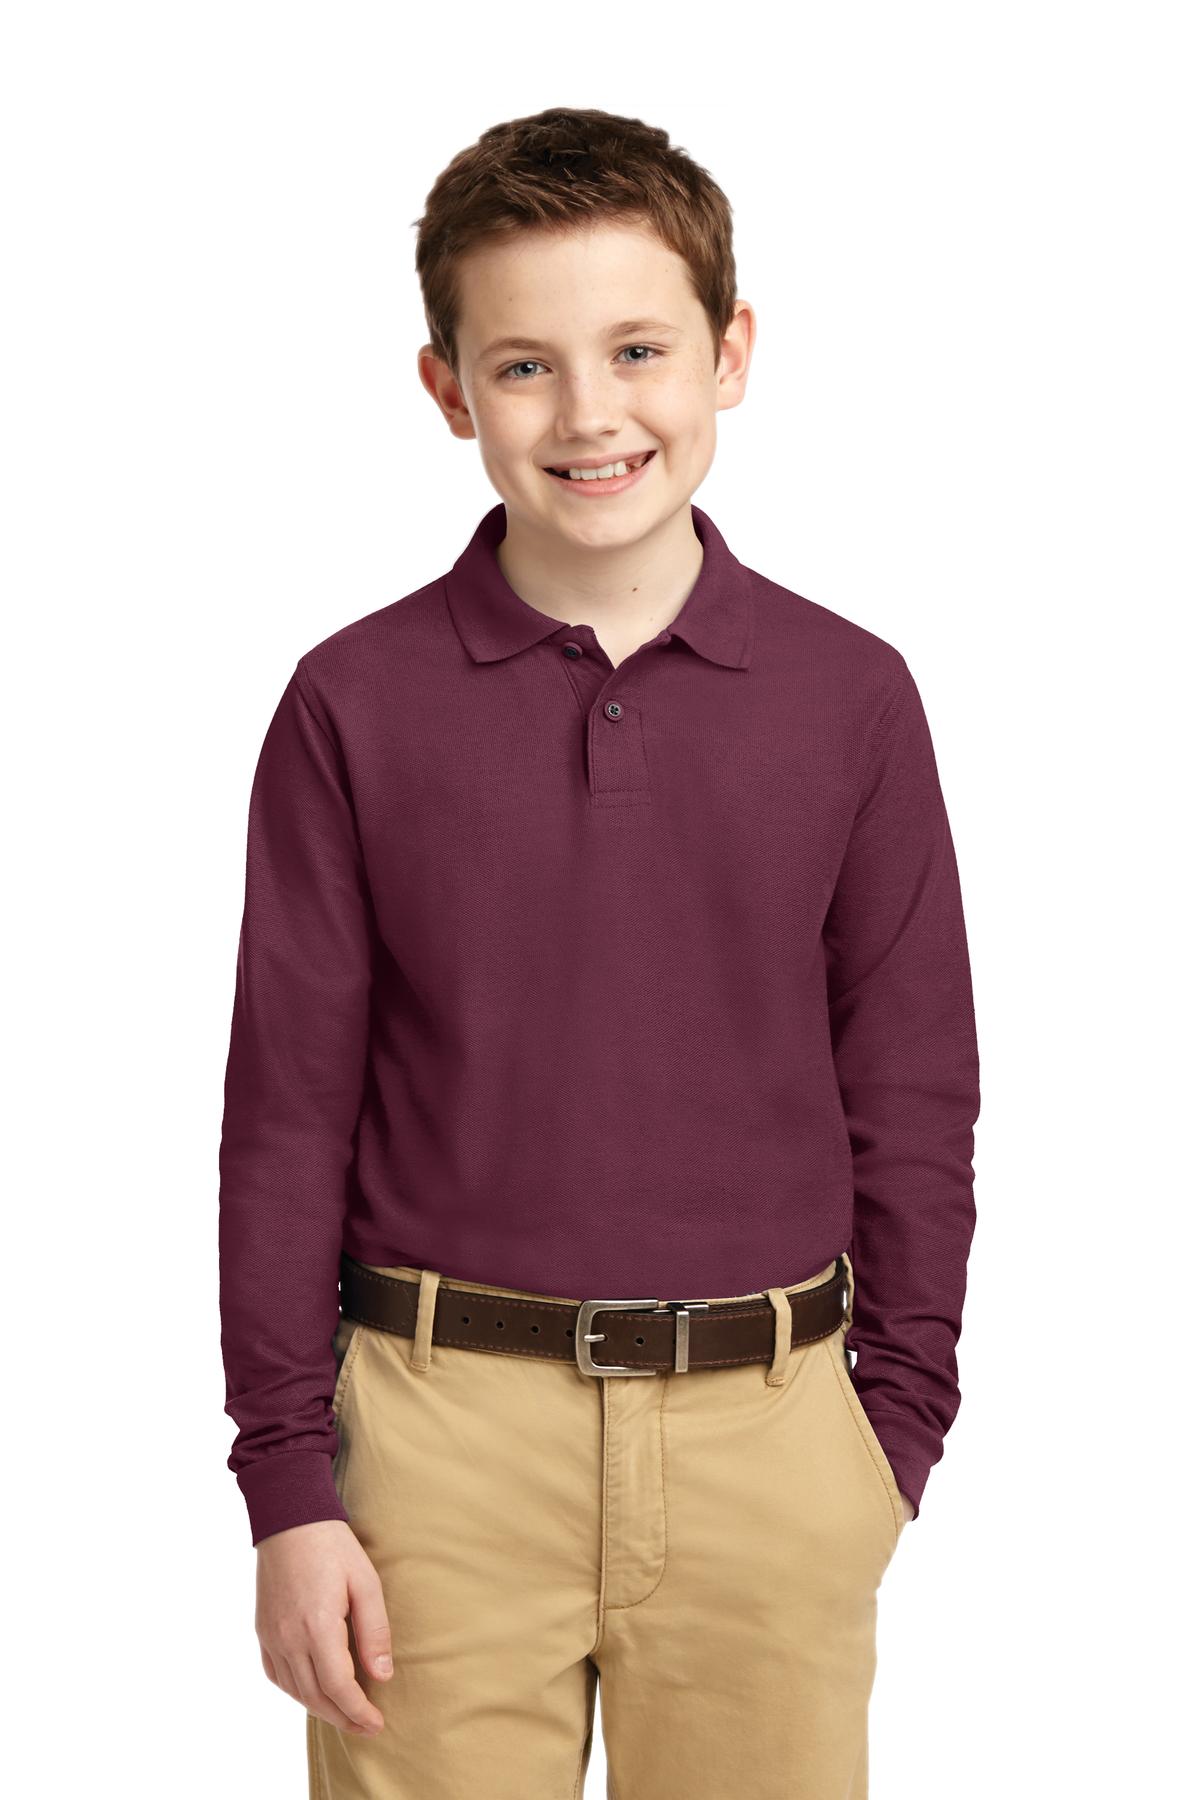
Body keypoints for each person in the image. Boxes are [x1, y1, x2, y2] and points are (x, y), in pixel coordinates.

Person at [218, 105, 980, 1799]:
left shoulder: (852, 698)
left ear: (730, 353)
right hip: (436, 1447)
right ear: (448, 391)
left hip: (771, 1433)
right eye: (524, 366)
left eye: (639, 349)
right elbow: (285, 1117)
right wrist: (287, 1487)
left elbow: (915, 1087)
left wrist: (892, 1434)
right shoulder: (352, 703)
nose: (589, 414)